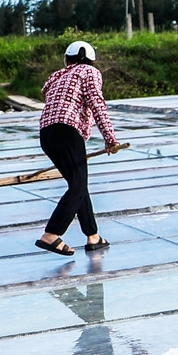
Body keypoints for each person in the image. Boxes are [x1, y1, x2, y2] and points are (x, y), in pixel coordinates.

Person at [34, 40, 119, 256]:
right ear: (90, 59)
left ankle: (93, 236)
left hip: (47, 134)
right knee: (78, 185)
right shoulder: (89, 71)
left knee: (78, 184)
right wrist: (110, 138)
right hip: (67, 131)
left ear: (67, 59)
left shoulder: (57, 76)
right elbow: (96, 103)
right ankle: (51, 234)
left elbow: (52, 96)